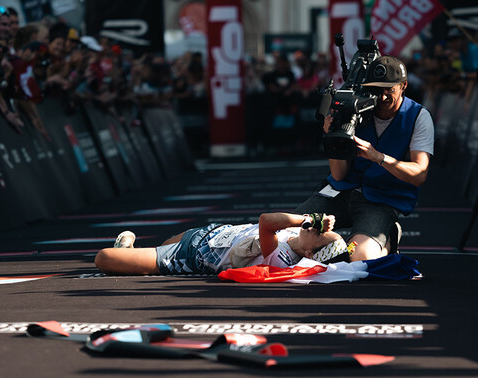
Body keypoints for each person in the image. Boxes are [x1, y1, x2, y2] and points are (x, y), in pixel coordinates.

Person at [294, 55, 434, 261]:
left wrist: (379, 157)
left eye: (389, 90)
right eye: (376, 90)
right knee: (291, 234)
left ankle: (387, 241)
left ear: (403, 85)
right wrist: (332, 138)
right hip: (341, 191)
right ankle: (337, 243)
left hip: (382, 198)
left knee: (359, 257)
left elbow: (420, 174)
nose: (383, 97)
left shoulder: (418, 116)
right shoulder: (354, 107)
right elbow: (339, 175)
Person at [94, 212, 342, 276]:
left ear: (310, 251)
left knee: (105, 260)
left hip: (191, 256)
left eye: (319, 233)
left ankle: (124, 254)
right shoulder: (294, 232)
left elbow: (266, 222)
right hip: (211, 233)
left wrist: (308, 218)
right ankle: (131, 254)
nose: (315, 227)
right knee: (163, 244)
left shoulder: (282, 260)